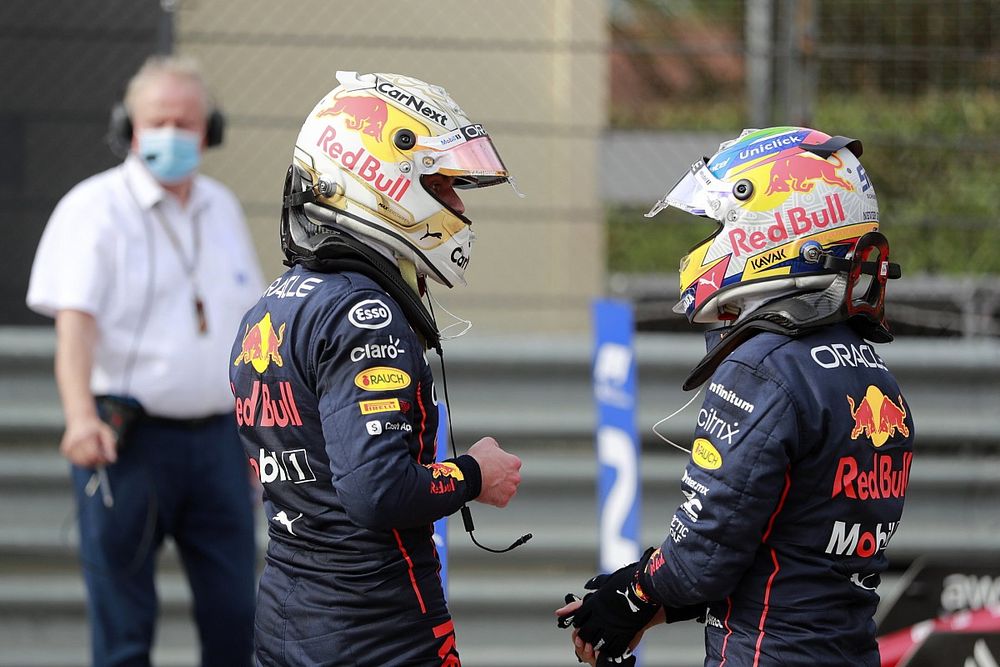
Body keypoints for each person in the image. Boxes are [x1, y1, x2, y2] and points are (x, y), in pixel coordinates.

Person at [557, 127, 915, 666]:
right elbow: (785, 554)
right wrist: (645, 601)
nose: (709, 242)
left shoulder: (761, 368)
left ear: (776, 227)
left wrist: (631, 594)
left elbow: (702, 556)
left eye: (720, 224)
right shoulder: (873, 373)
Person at [230, 71, 523, 666]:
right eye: (441, 186)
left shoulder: (272, 306)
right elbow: (377, 490)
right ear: (382, 181)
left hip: (286, 621)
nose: (458, 207)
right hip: (378, 630)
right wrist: (474, 474)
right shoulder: (364, 315)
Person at [26, 55, 263, 667]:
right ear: (128, 128)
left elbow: (251, 334)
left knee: (237, 617)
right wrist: (80, 417)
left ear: (209, 131)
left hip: (221, 445)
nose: (172, 134)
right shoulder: (93, 209)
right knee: (124, 628)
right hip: (127, 443)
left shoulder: (222, 208)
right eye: (157, 120)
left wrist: (262, 435)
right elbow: (74, 329)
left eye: (186, 122)